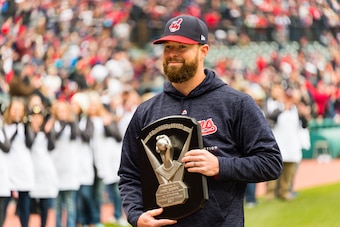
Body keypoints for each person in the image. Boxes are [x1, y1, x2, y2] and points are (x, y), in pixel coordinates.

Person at [118, 15, 283, 227]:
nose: (172, 54)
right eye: (168, 47)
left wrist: (220, 166)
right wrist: (136, 215)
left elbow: (271, 162)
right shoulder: (146, 111)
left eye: (182, 47)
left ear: (203, 50)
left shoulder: (236, 103)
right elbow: (129, 173)